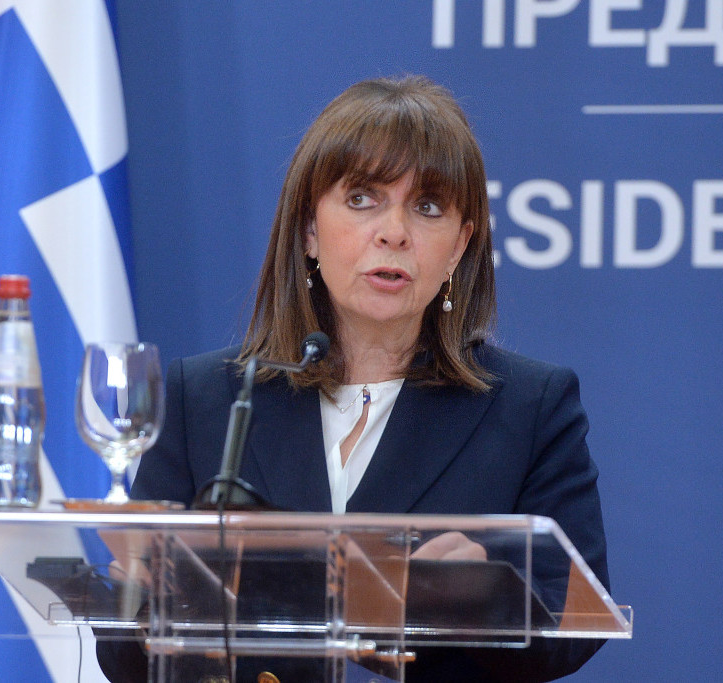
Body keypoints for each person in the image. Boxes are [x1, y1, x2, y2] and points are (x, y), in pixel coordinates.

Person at [98, 75, 610, 682]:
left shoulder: (529, 407)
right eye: (363, 198)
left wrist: (480, 597)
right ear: (310, 230)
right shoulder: (210, 399)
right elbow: (123, 657)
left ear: (459, 246)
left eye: (427, 207)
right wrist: (143, 601)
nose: (394, 232)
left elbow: (576, 625)